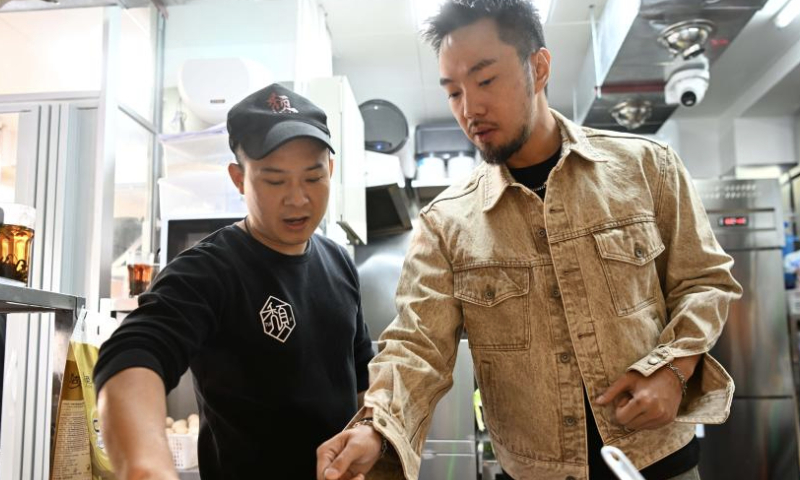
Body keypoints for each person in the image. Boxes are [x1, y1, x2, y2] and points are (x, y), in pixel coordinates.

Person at [316, 1, 742, 479]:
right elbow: (417, 345)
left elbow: (705, 282)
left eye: (485, 80)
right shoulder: (446, 223)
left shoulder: (646, 167)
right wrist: (376, 425)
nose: (469, 108)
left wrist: (674, 369)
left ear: (538, 67)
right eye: (453, 91)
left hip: (660, 459)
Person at [94, 83, 374, 480]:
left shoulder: (339, 262)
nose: (298, 199)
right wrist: (146, 467)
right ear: (238, 178)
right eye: (275, 181)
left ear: (329, 169)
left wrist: (367, 432)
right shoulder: (209, 271)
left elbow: (363, 376)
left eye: (312, 178)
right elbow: (134, 353)